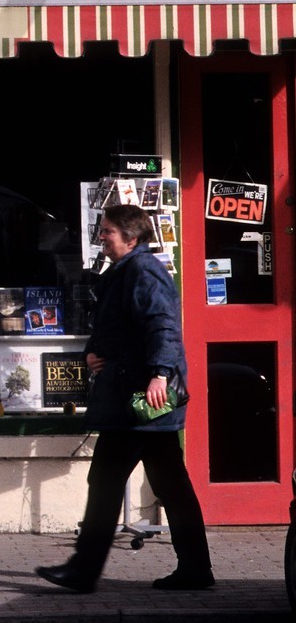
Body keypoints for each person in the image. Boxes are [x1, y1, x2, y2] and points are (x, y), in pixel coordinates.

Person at [36, 204, 214, 594]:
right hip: (135, 394)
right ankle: (196, 568)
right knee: (171, 483)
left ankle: (84, 570)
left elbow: (163, 325)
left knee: (106, 478)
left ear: (131, 238)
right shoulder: (125, 270)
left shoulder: (143, 270)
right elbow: (116, 327)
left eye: (108, 232)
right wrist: (93, 353)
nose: (102, 238)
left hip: (138, 398)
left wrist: (160, 374)